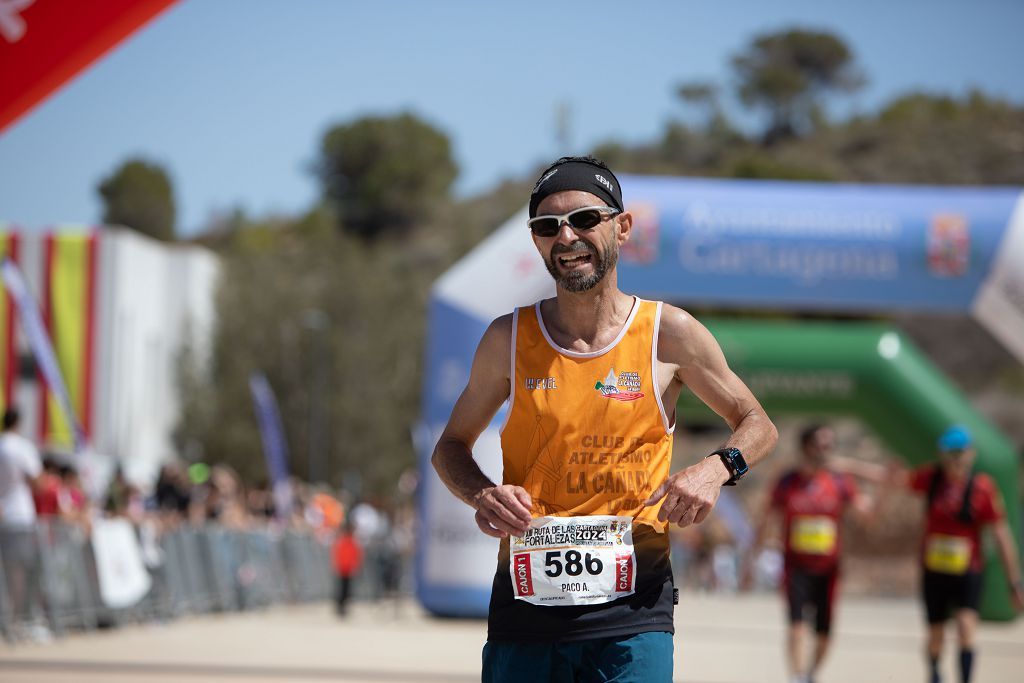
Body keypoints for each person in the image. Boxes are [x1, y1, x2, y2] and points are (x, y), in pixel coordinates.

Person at [431, 155, 778, 682]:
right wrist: (482, 494)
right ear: (536, 242)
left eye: (585, 219)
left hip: (634, 609)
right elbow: (450, 446)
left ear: (622, 226)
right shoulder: (508, 338)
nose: (566, 236)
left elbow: (757, 423)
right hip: (527, 606)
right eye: (548, 226)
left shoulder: (670, 333)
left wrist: (716, 468)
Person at [888, 425, 1024, 683]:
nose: (956, 459)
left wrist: (1014, 581)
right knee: (936, 636)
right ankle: (935, 672)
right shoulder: (931, 480)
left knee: (966, 628)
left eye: (961, 453)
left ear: (971, 454)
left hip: (968, 571)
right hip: (934, 571)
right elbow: (898, 480)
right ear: (942, 455)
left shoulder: (983, 489)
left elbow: (1002, 535)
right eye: (951, 453)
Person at [741, 424, 874, 683]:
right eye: (822, 444)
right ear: (806, 447)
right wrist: (750, 561)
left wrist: (880, 495)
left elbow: (865, 517)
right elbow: (765, 522)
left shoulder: (839, 481)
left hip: (829, 568)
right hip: (796, 567)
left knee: (824, 632)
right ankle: (798, 676)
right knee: (797, 625)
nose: (827, 451)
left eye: (830, 445)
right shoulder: (787, 482)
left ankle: (811, 674)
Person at [0, 407, 47, 638]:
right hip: (18, 515)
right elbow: (38, 483)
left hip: (4, 514)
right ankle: (14, 622)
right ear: (19, 423)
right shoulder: (20, 448)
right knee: (18, 570)